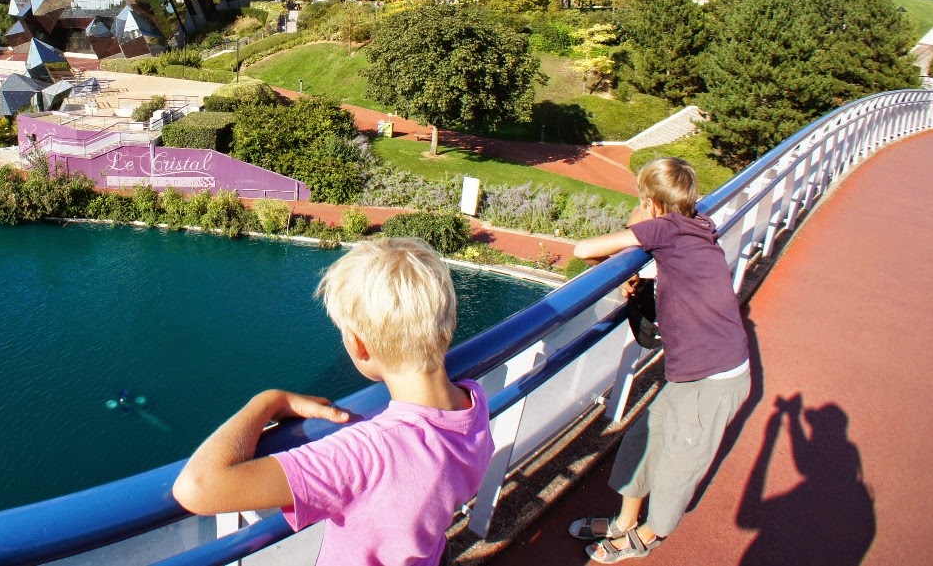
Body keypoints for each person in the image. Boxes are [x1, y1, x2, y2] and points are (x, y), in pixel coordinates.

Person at [172, 238, 495, 565]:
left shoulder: (365, 455)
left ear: (358, 345)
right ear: (448, 322)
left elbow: (196, 488)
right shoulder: (473, 401)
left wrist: (268, 401)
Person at [567, 157, 751, 562]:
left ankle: (649, 535)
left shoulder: (664, 228)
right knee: (644, 438)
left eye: (642, 202)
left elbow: (583, 249)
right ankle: (625, 521)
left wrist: (631, 237)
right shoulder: (697, 223)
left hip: (715, 378)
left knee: (679, 462)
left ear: (650, 203)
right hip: (693, 371)